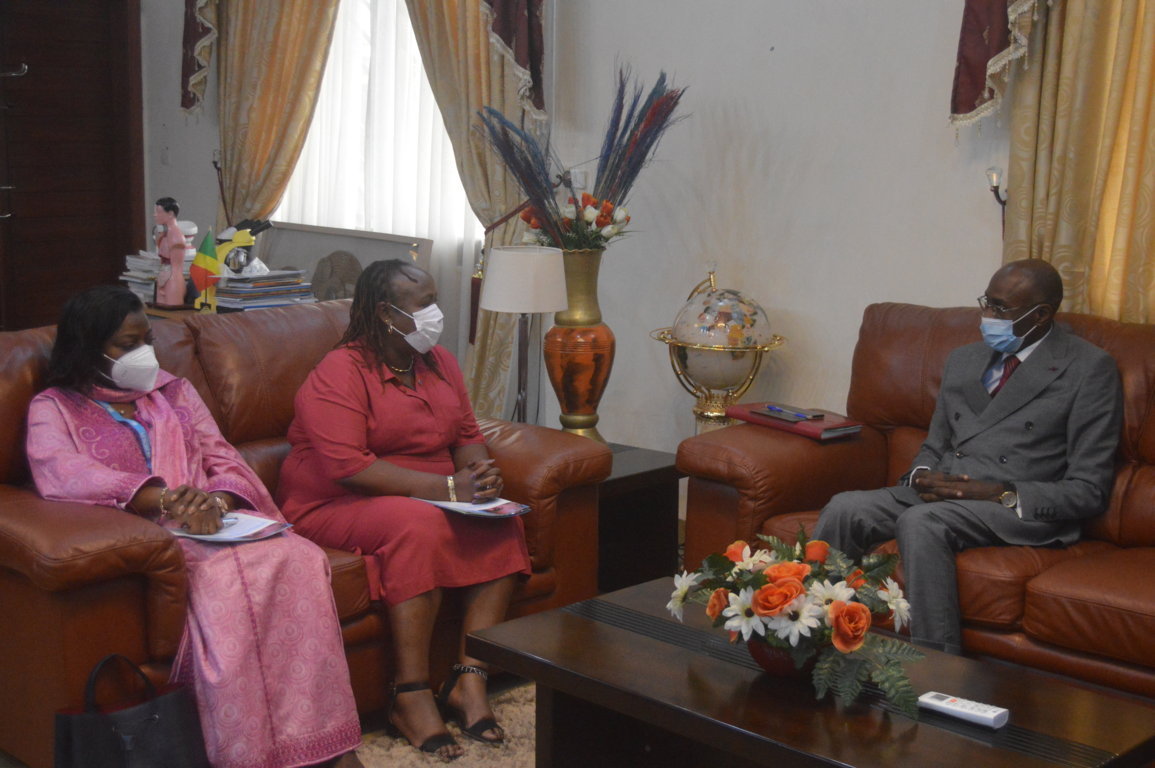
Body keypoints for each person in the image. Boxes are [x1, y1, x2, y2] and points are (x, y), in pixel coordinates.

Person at [25, 285, 364, 768]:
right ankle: (248, 754)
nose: (145, 353)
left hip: (215, 519)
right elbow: (63, 471)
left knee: (299, 557)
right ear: (88, 347)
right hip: (150, 534)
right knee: (226, 583)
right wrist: (166, 499)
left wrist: (215, 501)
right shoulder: (54, 407)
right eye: (128, 343)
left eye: (148, 340)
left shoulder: (174, 391)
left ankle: (325, 744)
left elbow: (222, 457)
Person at [277, 259, 529, 762]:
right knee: (419, 524)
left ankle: (469, 680)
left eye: (435, 299)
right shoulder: (340, 370)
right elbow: (348, 466)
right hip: (337, 500)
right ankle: (409, 694)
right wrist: (449, 489)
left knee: (503, 521)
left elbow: (466, 435)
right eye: (424, 304)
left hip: (429, 492)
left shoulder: (439, 362)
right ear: (384, 313)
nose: (436, 313)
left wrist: (480, 477)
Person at [812, 258, 1122, 654]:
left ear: (1041, 315)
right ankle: (807, 637)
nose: (987, 317)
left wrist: (997, 491)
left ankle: (938, 669)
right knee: (845, 508)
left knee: (922, 521)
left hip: (1013, 506)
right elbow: (935, 444)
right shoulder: (965, 359)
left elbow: (1088, 489)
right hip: (946, 491)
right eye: (986, 302)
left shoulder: (1088, 368)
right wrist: (921, 475)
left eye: (1001, 309)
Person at [154, 197, 188, 308]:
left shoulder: (176, 236)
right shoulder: (163, 234)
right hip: (162, 274)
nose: (155, 215)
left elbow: (176, 266)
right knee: (159, 309)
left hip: (173, 278)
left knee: (172, 306)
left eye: (159, 212)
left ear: (170, 214)